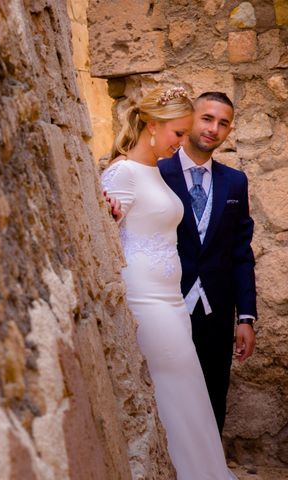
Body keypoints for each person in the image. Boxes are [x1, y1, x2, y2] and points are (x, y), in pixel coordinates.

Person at [101, 86, 236, 479]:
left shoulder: (154, 172)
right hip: (144, 298)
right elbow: (107, 227)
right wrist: (107, 213)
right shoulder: (123, 171)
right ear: (152, 126)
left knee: (188, 390)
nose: (181, 142)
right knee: (173, 391)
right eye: (178, 133)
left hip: (171, 299)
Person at [158, 92, 256, 435]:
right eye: (207, 118)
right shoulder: (157, 173)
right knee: (165, 393)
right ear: (190, 119)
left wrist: (246, 316)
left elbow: (241, 253)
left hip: (216, 307)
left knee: (214, 393)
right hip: (167, 305)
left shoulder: (235, 182)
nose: (214, 128)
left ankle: (208, 467)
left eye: (223, 123)